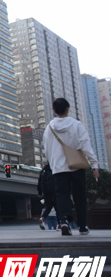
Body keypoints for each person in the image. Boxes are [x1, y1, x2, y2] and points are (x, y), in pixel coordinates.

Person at [42, 97, 99, 236]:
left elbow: (46, 149)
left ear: (54, 110)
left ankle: (64, 221)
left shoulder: (49, 128)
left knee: (62, 195)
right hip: (76, 165)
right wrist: (94, 164)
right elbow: (85, 144)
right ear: (68, 109)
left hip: (58, 168)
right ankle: (83, 226)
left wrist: (53, 163)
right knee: (79, 195)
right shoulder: (76, 125)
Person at [37, 163, 57, 230]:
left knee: (48, 206)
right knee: (57, 206)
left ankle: (43, 218)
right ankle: (60, 223)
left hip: (46, 192)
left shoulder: (43, 172)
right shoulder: (54, 169)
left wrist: (40, 192)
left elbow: (39, 182)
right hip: (54, 190)